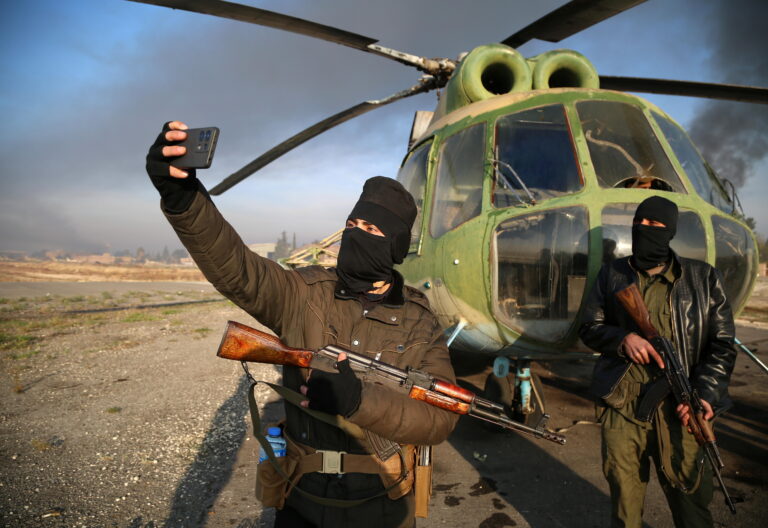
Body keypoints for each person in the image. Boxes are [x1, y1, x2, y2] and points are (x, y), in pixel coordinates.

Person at [145, 121, 458, 528]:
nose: (356, 236)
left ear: (395, 246)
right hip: (302, 499)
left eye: (371, 230)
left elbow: (438, 418)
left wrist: (359, 401)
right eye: (352, 226)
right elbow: (238, 268)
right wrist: (183, 198)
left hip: (382, 506)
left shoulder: (420, 321)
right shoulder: (304, 293)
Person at [579, 196, 736, 528]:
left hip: (681, 408)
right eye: (639, 222)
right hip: (623, 405)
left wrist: (705, 393)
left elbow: (722, 346)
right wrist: (622, 339)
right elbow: (589, 327)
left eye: (653, 224)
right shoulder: (613, 274)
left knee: (690, 500)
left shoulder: (703, 279)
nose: (643, 228)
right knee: (624, 500)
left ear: (670, 231)